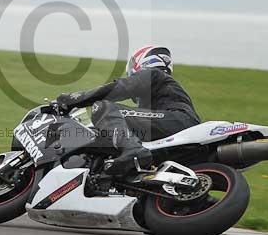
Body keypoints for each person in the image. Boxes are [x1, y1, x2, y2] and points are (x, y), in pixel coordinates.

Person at [57, 45, 201, 177]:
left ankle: (133, 150)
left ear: (142, 63)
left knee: (102, 107)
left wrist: (75, 99)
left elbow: (119, 88)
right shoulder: (159, 92)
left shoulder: (154, 74)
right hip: (176, 138)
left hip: (178, 120)